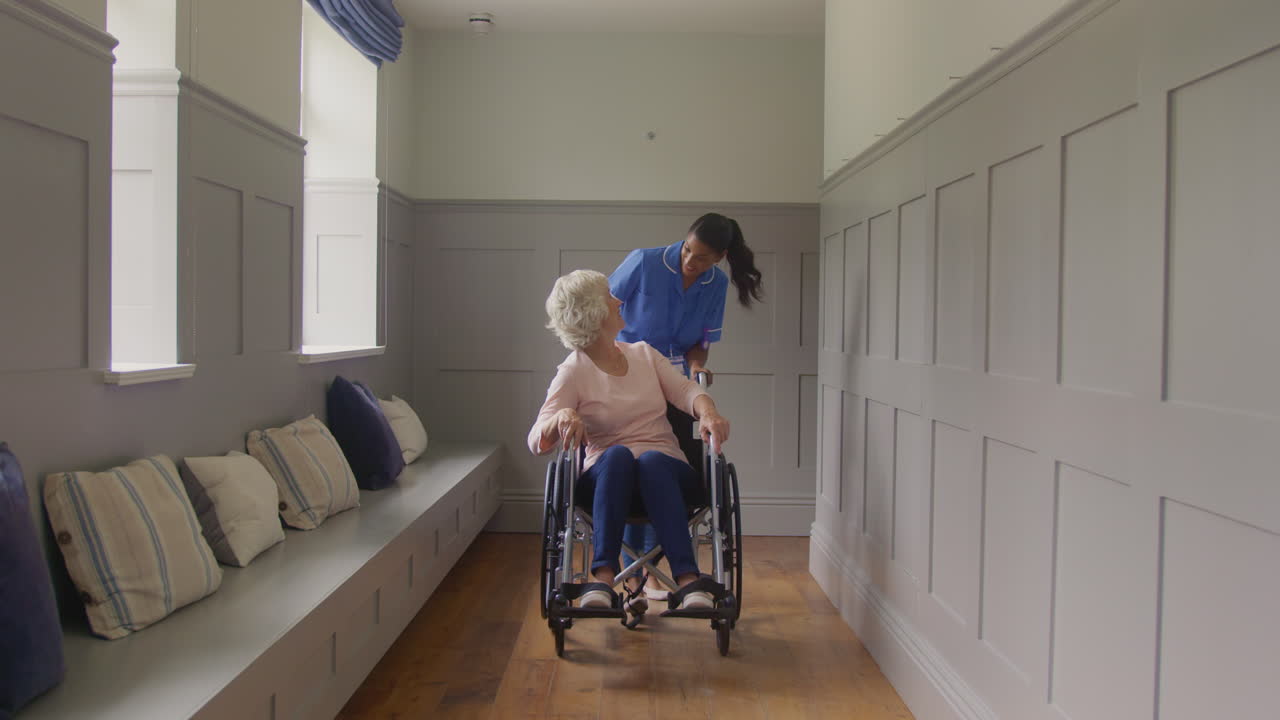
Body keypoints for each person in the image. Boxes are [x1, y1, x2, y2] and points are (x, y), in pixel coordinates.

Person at [527, 270, 731, 612]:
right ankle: (602, 580)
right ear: (592, 312)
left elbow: (686, 391)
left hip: (666, 471)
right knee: (619, 456)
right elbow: (536, 438)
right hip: (607, 479)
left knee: (650, 460)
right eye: (610, 297)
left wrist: (708, 412)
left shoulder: (643, 354)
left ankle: (688, 582)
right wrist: (561, 417)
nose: (619, 300)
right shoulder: (573, 370)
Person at [607, 212, 762, 599]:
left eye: (702, 258)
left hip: (674, 382)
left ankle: (648, 566)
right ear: (685, 240)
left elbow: (702, 342)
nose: (690, 262)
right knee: (628, 461)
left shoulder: (716, 284)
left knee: (661, 466)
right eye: (688, 251)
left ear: (720, 257)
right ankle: (630, 574)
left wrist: (696, 368)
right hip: (627, 376)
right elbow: (604, 311)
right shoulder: (644, 261)